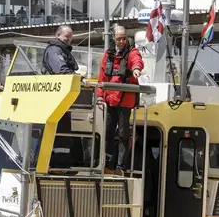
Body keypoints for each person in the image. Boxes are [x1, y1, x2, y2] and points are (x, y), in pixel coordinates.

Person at [96, 25, 144, 176]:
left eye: (124, 38)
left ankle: (120, 167)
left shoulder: (132, 52)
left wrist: (136, 69)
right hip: (110, 100)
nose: (122, 41)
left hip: (125, 101)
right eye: (119, 38)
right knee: (108, 132)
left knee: (123, 134)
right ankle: (109, 165)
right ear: (114, 39)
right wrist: (99, 95)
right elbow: (102, 77)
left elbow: (137, 60)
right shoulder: (108, 54)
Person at [41, 25, 86, 171]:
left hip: (62, 99)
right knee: (59, 132)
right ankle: (57, 164)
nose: (69, 38)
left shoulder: (61, 50)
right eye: (66, 36)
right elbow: (61, 70)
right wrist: (80, 79)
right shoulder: (54, 50)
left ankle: (61, 163)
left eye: (70, 36)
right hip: (54, 98)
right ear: (58, 35)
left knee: (63, 133)